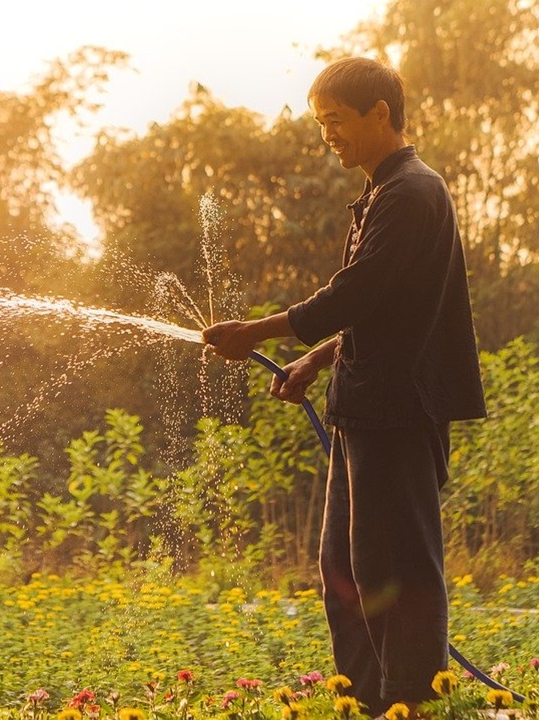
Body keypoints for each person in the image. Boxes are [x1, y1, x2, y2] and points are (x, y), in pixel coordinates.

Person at [201, 57, 486, 717]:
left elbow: (353, 294)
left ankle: (411, 701)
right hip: (364, 408)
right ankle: (362, 700)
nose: (327, 134)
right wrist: (316, 361)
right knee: (347, 575)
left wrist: (259, 332)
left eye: (336, 120)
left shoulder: (412, 193)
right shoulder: (386, 192)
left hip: (398, 412)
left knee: (398, 573)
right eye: (320, 122)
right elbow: (379, 309)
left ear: (379, 114)